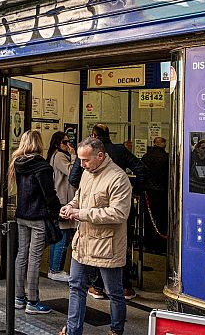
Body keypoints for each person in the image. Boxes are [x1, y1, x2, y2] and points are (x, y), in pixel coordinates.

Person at [58, 137, 132, 335]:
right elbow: (79, 197)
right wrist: (70, 207)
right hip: (83, 241)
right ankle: (73, 331)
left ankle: (116, 330)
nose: (81, 164)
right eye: (80, 160)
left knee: (114, 292)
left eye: (86, 160)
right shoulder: (86, 173)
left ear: (100, 156)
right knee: (76, 287)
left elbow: (119, 213)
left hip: (107, 245)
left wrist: (80, 213)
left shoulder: (118, 178)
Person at [68, 123, 146, 300]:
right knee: (118, 250)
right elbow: (141, 169)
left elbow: (73, 178)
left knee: (100, 264)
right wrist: (135, 191)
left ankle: (97, 287)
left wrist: (80, 209)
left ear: (94, 135)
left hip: (100, 215)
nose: (83, 164)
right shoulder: (120, 150)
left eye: (85, 161)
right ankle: (124, 286)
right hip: (108, 216)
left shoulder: (106, 170)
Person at [10, 130, 60, 315]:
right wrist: (57, 211)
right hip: (38, 216)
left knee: (21, 254)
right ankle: (32, 300)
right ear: (38, 143)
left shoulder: (18, 163)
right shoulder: (42, 166)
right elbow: (49, 194)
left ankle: (18, 297)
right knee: (34, 257)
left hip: (22, 215)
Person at [47, 131, 77, 283]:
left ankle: (54, 268)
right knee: (62, 237)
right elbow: (72, 173)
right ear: (57, 143)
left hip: (62, 199)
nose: (68, 145)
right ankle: (55, 268)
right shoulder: (59, 156)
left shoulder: (56, 155)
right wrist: (73, 156)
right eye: (65, 142)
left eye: (69, 142)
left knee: (59, 236)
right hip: (63, 200)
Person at [141, 136, 170, 253]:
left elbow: (141, 172)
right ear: (163, 144)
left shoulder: (146, 156)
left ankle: (148, 243)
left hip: (148, 191)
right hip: (162, 192)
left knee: (149, 219)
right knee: (161, 219)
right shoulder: (167, 158)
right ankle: (161, 244)